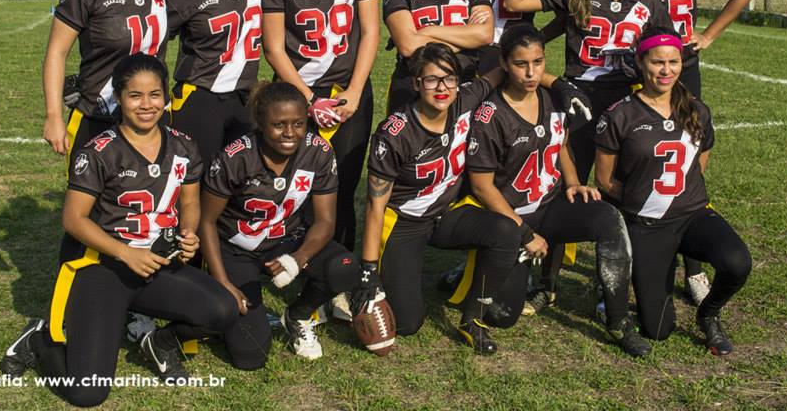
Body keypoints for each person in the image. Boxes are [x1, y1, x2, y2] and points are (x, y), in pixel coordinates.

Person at [0, 55, 238, 407]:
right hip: (103, 266)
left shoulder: (183, 144)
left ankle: (158, 342)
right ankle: (40, 342)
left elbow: (189, 203)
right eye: (135, 96)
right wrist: (126, 252)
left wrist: (188, 233)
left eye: (154, 94)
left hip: (155, 262)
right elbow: (73, 220)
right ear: (119, 98)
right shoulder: (100, 151)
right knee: (88, 392)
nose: (146, 105)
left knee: (223, 310)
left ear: (166, 97)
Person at [503, 0, 671, 310]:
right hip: (578, 97)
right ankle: (548, 282)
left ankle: (612, 282)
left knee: (622, 191)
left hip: (628, 101)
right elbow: (514, 2)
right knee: (566, 191)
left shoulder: (648, 0)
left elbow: (665, 52)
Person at [465, 24, 649, 356]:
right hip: (511, 218)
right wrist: (523, 233)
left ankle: (618, 321)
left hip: (549, 205)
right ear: (505, 63)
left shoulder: (552, 98)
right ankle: (472, 270)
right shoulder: (490, 114)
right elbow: (481, 186)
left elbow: (561, 142)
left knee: (608, 219)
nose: (531, 72)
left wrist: (574, 181)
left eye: (537, 62)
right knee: (502, 315)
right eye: (521, 64)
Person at [352, 42, 521, 355]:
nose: (442, 88)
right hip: (404, 222)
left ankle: (473, 318)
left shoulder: (464, 100)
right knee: (407, 323)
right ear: (417, 83)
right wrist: (367, 271)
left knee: (506, 231)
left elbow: (504, 70)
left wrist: (557, 83)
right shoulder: (394, 135)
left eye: (449, 79)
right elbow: (375, 207)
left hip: (447, 213)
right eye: (432, 80)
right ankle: (358, 278)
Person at [594, 27, 752, 355]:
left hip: (692, 215)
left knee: (738, 263)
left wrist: (679, 198)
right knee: (657, 329)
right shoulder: (620, 115)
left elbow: (699, 163)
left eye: (673, 62)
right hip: (648, 225)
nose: (666, 70)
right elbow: (605, 179)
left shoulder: (696, 110)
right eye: (657, 62)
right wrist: (642, 204)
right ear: (640, 62)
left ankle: (708, 315)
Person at [631, 0, 754, 304]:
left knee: (687, 160)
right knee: (638, 160)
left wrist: (708, 36)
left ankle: (694, 264)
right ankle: (631, 251)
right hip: (635, 73)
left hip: (682, 71)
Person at [261, 0, 380, 267]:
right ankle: (301, 263)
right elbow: (274, 47)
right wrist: (309, 101)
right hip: (299, 96)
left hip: (349, 92)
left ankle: (340, 268)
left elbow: (371, 31)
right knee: (302, 186)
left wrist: (356, 91)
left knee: (342, 187)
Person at [198, 82, 359, 363]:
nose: (289, 133)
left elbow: (325, 221)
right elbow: (206, 221)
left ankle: (298, 315)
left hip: (285, 239)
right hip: (236, 248)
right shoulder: (236, 157)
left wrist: (299, 258)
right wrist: (222, 281)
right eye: (279, 124)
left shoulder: (317, 151)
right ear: (260, 123)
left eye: (298, 123)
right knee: (251, 355)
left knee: (344, 269)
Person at [43, 0, 170, 167]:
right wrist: (53, 115)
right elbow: (56, 52)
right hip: (98, 116)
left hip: (150, 118)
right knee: (87, 205)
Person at [165, 0, 264, 166]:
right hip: (200, 98)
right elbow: (149, 39)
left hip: (246, 98)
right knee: (196, 186)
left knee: (241, 184)